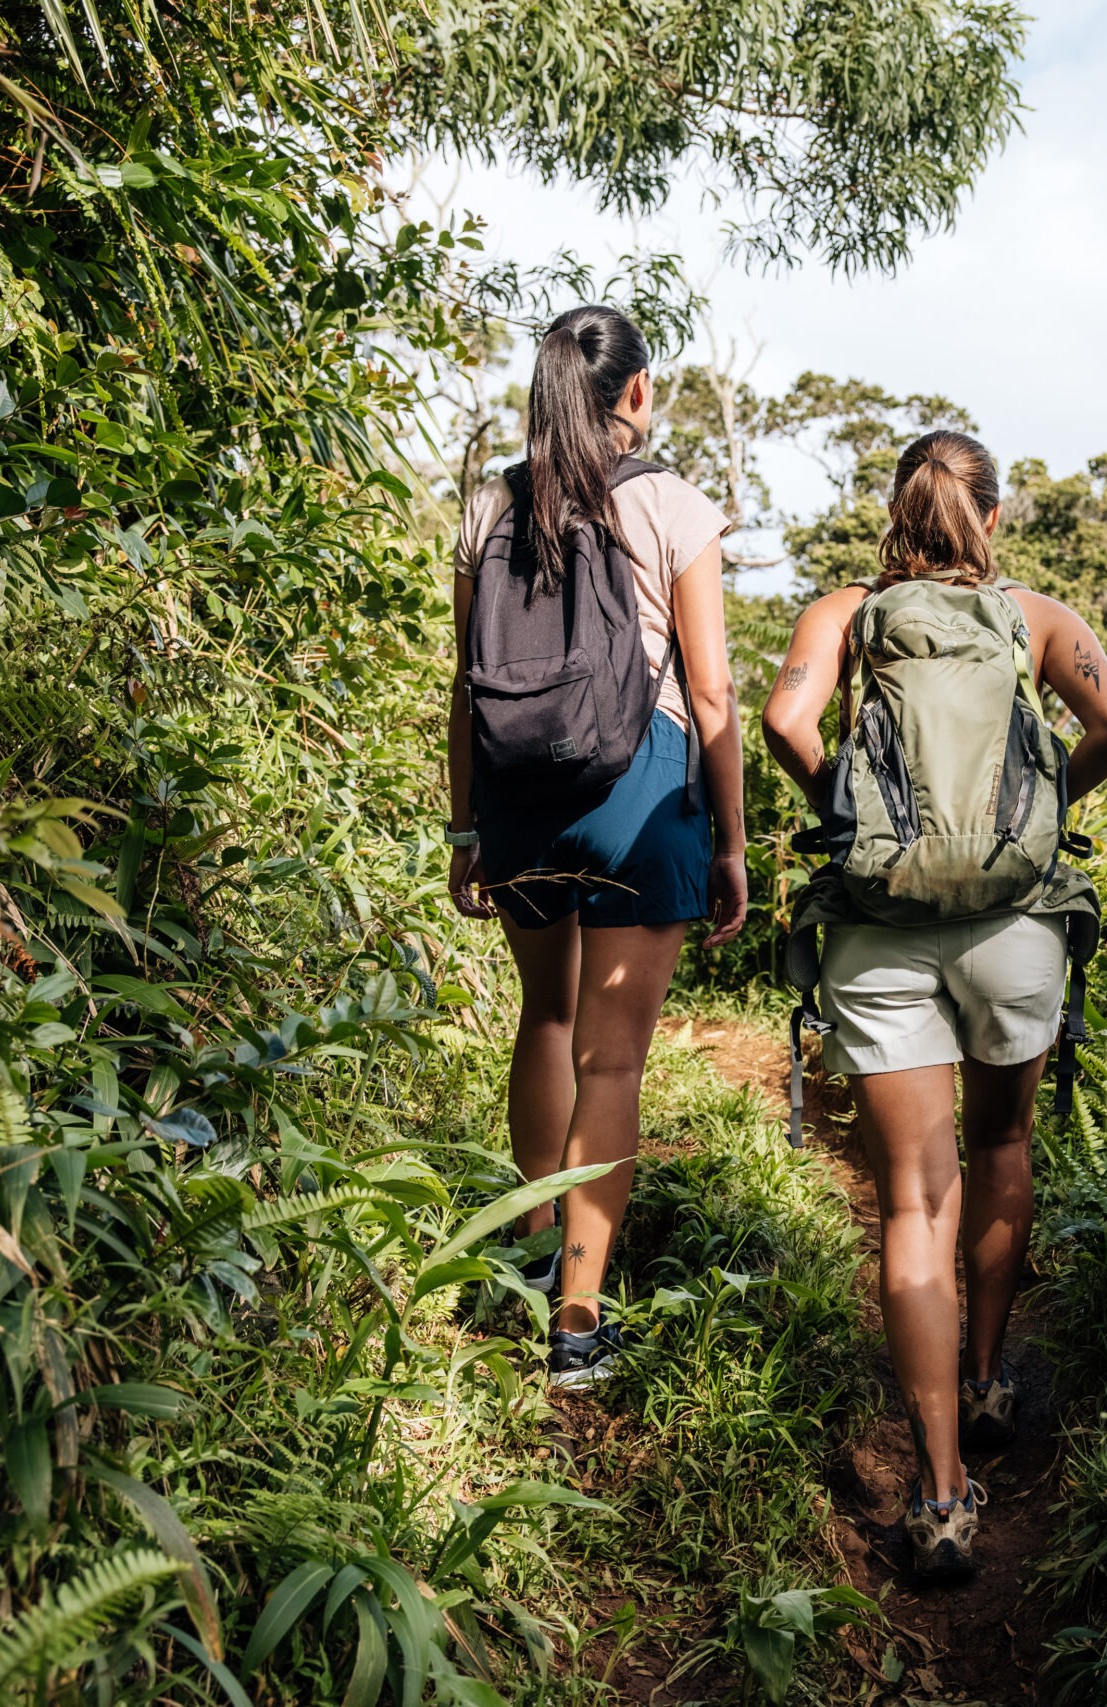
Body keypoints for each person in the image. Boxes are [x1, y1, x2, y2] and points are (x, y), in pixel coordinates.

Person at [760, 430, 1107, 1577]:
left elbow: (786, 723)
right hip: (1015, 930)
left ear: (896, 508)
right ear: (992, 512)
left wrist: (855, 819)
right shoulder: (1036, 618)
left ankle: (938, 1493)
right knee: (1005, 1141)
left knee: (912, 1208)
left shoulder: (843, 613)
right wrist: (1033, 822)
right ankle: (987, 1379)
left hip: (880, 934)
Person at [446, 305, 748, 1386]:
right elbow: (709, 691)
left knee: (547, 1012)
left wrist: (464, 827)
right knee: (610, 1056)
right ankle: (577, 1318)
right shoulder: (671, 502)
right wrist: (730, 844)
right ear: (634, 392)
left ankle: (533, 1253)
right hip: (642, 786)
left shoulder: (491, 502)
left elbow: (462, 689)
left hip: (520, 794)